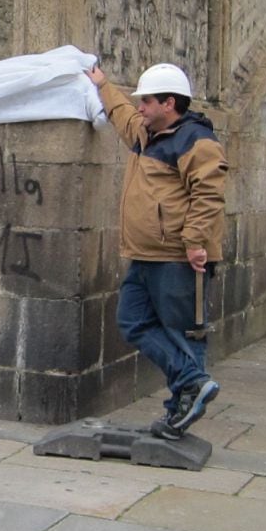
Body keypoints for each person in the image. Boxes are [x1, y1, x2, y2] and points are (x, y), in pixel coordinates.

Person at [86, 61, 228, 440]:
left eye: (147, 101)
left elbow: (209, 193)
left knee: (183, 333)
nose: (141, 108)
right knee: (132, 321)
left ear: (169, 103)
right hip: (145, 253)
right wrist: (103, 85)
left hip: (178, 257)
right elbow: (122, 116)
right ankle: (193, 384)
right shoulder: (146, 132)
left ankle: (180, 408)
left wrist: (196, 241)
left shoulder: (196, 140)